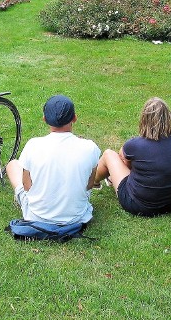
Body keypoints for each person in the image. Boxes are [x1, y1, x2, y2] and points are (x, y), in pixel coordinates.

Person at [5, 95, 101, 225]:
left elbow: (27, 187)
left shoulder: (33, 145)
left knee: (12, 165)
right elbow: (89, 185)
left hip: (37, 217)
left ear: (45, 119)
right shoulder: (90, 148)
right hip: (77, 217)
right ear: (74, 118)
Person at [93, 97, 171, 216]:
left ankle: (94, 181)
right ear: (168, 118)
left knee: (109, 154)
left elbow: (123, 159)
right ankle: (110, 179)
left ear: (144, 119)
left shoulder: (135, 145)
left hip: (138, 205)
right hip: (170, 204)